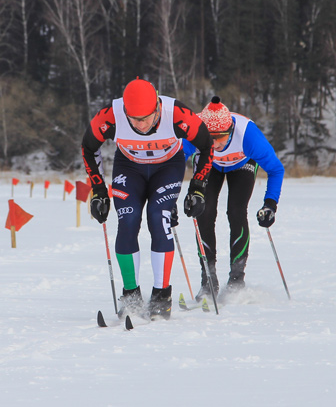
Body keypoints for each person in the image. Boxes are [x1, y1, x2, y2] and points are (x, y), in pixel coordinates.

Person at [81, 78, 214, 320]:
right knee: (128, 220)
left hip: (167, 168)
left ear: (157, 109)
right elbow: (88, 148)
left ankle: (161, 295)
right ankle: (131, 295)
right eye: (134, 120)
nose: (141, 125)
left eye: (146, 118)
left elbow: (206, 146)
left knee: (158, 217)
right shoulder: (110, 116)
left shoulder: (177, 114)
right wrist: (99, 190)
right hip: (129, 168)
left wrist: (197, 187)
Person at [182, 96, 284, 301]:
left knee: (236, 211)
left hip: (242, 165)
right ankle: (208, 281)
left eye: (218, 138)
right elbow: (175, 163)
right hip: (210, 166)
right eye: (208, 139)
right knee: (204, 211)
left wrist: (270, 204)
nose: (213, 144)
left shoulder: (248, 136)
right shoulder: (194, 131)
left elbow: (276, 169)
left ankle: (236, 279)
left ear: (229, 132)